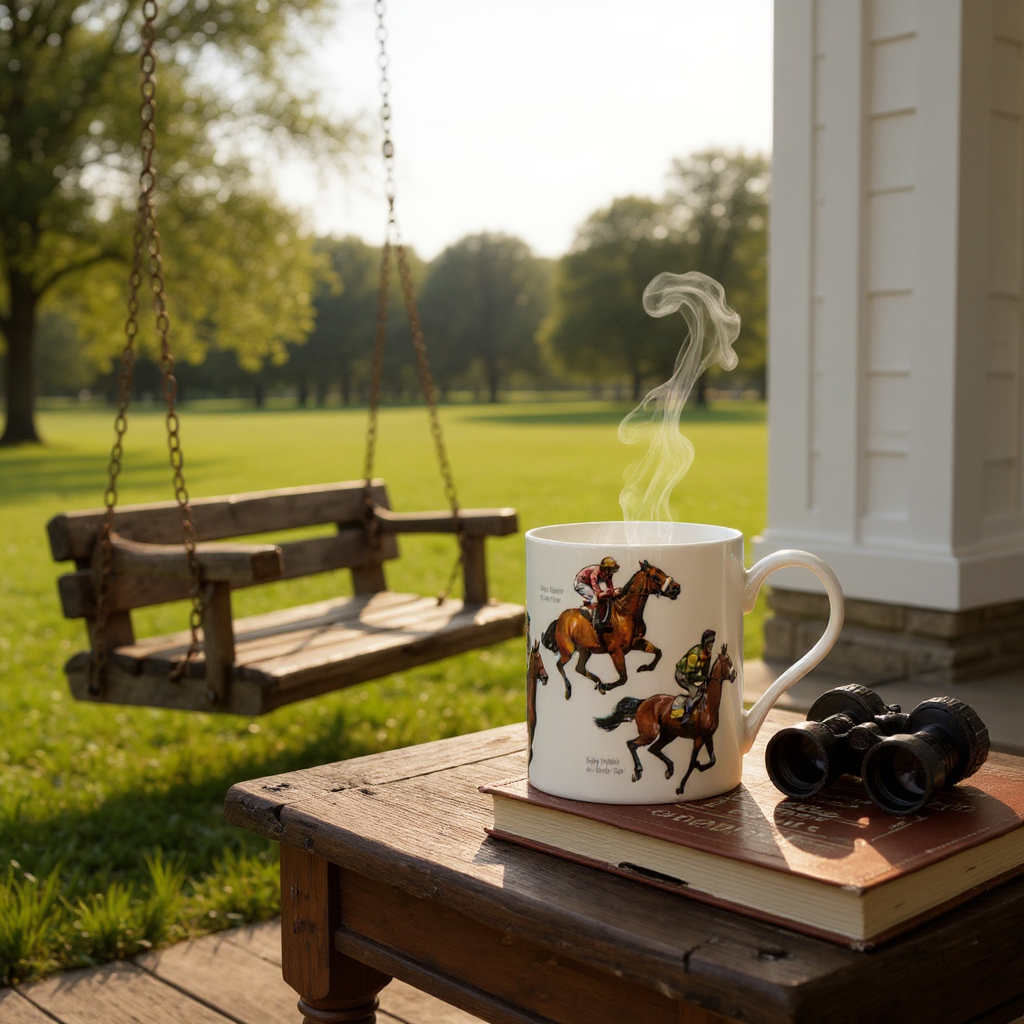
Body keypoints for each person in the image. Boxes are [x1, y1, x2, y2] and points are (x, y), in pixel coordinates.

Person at [670, 628, 716, 721]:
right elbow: (690, 676)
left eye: (712, 642)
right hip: (682, 675)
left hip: (691, 676)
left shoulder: (708, 655)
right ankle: (684, 712)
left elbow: (705, 673)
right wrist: (702, 678)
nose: (711, 645)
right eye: (709, 643)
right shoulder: (694, 655)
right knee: (695, 693)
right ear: (705, 643)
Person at [574, 556, 619, 633]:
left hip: (588, 584)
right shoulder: (594, 573)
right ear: (606, 569)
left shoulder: (608, 575)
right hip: (581, 583)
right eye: (611, 570)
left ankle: (605, 621)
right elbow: (596, 591)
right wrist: (604, 593)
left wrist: (612, 592)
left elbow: (610, 587)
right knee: (594, 598)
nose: (612, 572)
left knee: (608, 599)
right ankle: (595, 622)